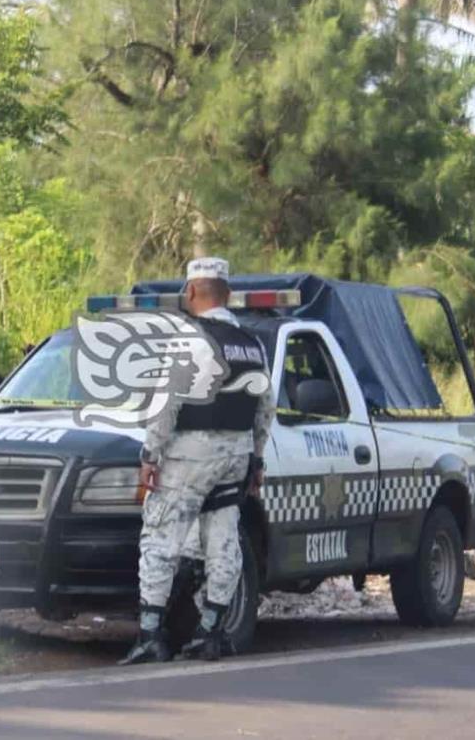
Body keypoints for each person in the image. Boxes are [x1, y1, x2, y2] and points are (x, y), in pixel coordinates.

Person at [120, 257, 276, 665]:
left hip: (189, 454)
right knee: (223, 539)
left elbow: (165, 406)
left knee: (160, 537)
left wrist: (150, 455)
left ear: (190, 292)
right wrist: (257, 460)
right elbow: (265, 409)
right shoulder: (252, 344)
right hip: (236, 453)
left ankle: (151, 635)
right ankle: (210, 632)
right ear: (227, 293)